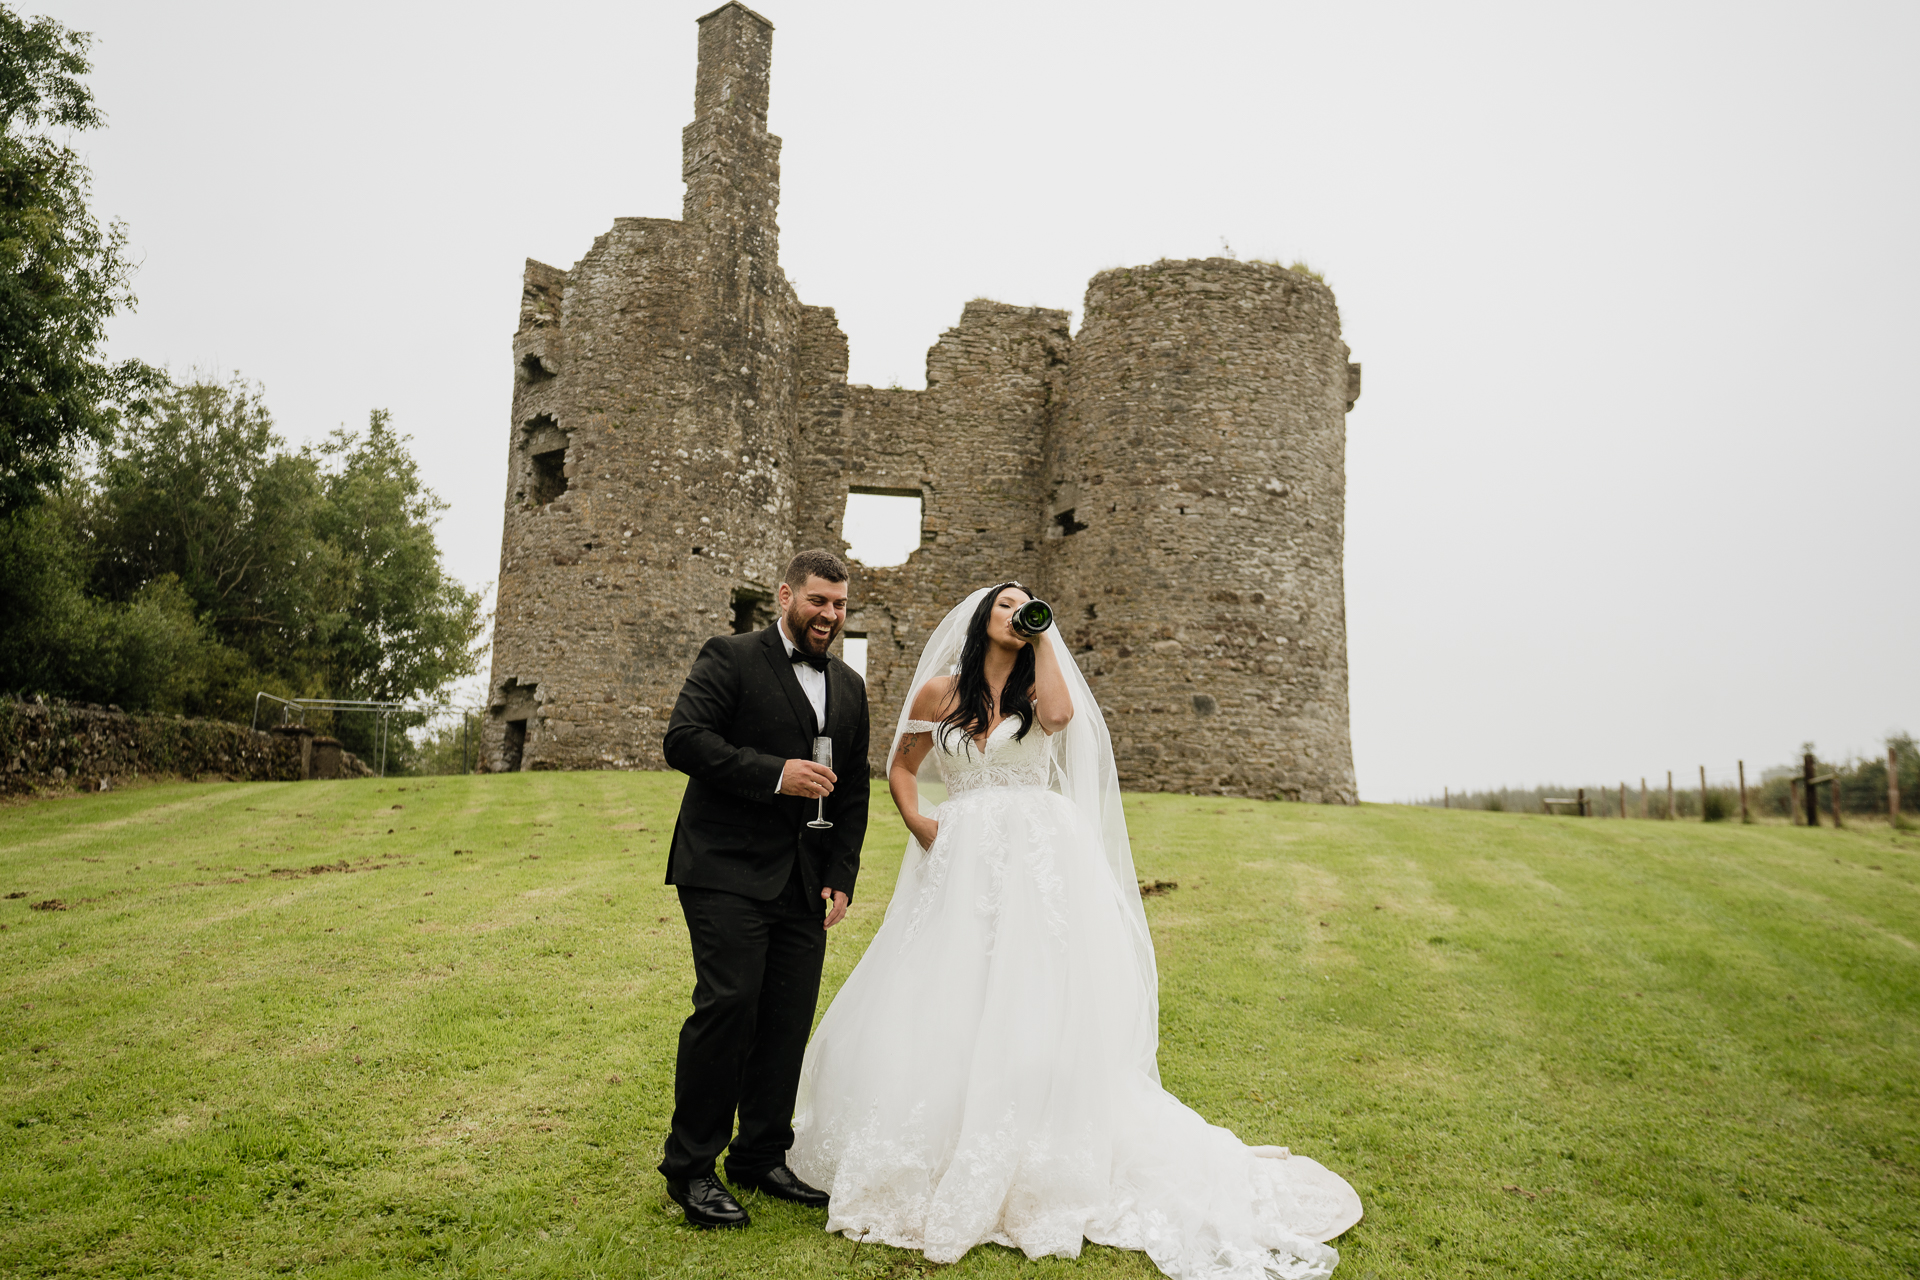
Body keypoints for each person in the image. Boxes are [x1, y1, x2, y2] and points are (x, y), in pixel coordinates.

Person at [788, 583, 1362, 1280]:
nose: (1015, 615)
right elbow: (901, 768)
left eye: (1026, 607)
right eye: (1005, 607)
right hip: (962, 855)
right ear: (980, 620)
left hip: (1035, 856)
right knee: (949, 979)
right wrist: (921, 822)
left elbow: (1061, 717)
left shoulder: (1038, 690)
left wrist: (1044, 639)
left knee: (1031, 986)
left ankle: (1035, 1119)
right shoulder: (940, 692)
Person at [658, 549, 870, 1229]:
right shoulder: (729, 656)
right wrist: (777, 773)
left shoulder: (849, 685)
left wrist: (841, 874)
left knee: (786, 1021)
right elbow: (685, 741)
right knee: (730, 1007)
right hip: (723, 867)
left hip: (805, 881)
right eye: (818, 601)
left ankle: (760, 1155)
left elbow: (856, 788)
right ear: (786, 595)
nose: (829, 616)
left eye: (839, 605)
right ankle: (691, 1169)